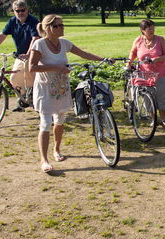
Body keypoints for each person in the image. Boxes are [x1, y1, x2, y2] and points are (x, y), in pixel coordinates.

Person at [28, 14, 111, 173]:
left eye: (62, 25)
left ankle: (57, 150)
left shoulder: (64, 43)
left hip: (61, 88)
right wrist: (57, 67)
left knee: (60, 120)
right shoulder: (39, 44)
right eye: (58, 26)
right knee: (45, 124)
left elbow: (84, 54)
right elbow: (32, 67)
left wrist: (104, 59)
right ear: (48, 28)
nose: (62, 28)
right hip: (45, 89)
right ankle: (44, 160)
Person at [0, 0, 39, 111]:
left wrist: (29, 54)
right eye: (17, 11)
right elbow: (2, 35)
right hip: (20, 55)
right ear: (13, 11)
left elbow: (35, 38)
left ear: (27, 10)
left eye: (22, 10)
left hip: (34, 54)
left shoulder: (33, 21)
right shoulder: (13, 21)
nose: (20, 13)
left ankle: (35, 99)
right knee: (14, 78)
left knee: (29, 76)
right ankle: (23, 100)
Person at [128, 19, 165, 127]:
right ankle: (153, 118)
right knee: (148, 97)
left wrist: (157, 59)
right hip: (145, 74)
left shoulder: (160, 40)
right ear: (143, 30)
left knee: (162, 95)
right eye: (149, 29)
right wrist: (129, 63)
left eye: (153, 28)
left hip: (161, 73)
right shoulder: (138, 40)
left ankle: (163, 118)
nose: (152, 30)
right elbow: (133, 53)